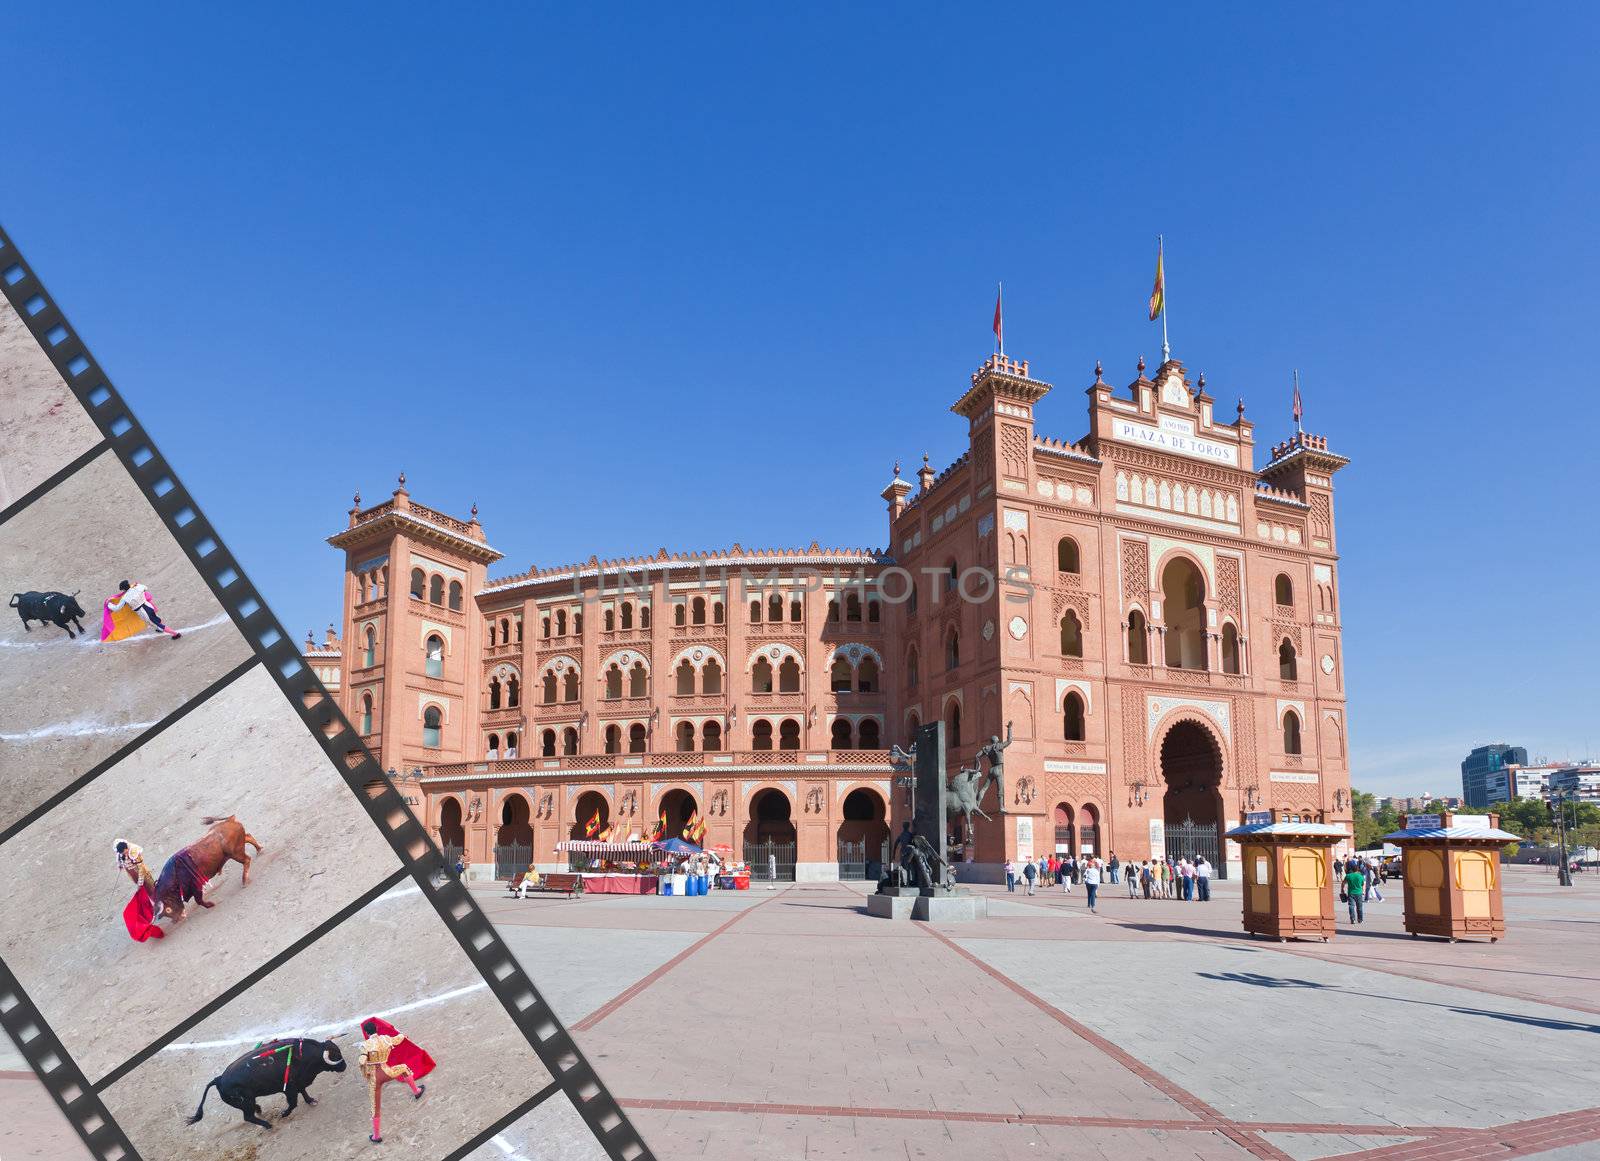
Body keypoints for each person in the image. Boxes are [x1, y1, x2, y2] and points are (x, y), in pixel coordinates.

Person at [357, 1017, 433, 1143]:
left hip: (375, 1079)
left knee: (375, 1107)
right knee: (403, 1068)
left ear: (366, 1033)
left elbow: (362, 1062)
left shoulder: (365, 1045)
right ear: (376, 1029)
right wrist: (400, 1032)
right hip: (388, 1072)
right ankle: (416, 1091)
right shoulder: (386, 1038)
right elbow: (400, 1038)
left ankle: (376, 1136)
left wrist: (366, 1073)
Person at [105, 580, 181, 639]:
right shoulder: (138, 587)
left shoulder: (125, 597)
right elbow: (145, 588)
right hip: (148, 606)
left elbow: (117, 608)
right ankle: (160, 628)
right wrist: (135, 586)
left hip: (143, 612)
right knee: (155, 618)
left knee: (155, 623)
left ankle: (175, 634)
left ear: (124, 589)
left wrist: (109, 604)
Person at [1343, 860, 1366, 924]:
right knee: (1359, 907)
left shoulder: (1348, 876)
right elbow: (1363, 885)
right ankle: (1360, 919)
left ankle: (1352, 919)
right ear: (1357, 869)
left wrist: (1342, 890)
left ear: (1352, 869)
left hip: (1351, 893)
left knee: (1351, 906)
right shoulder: (1360, 876)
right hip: (1359, 893)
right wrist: (1363, 892)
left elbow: (1343, 883)